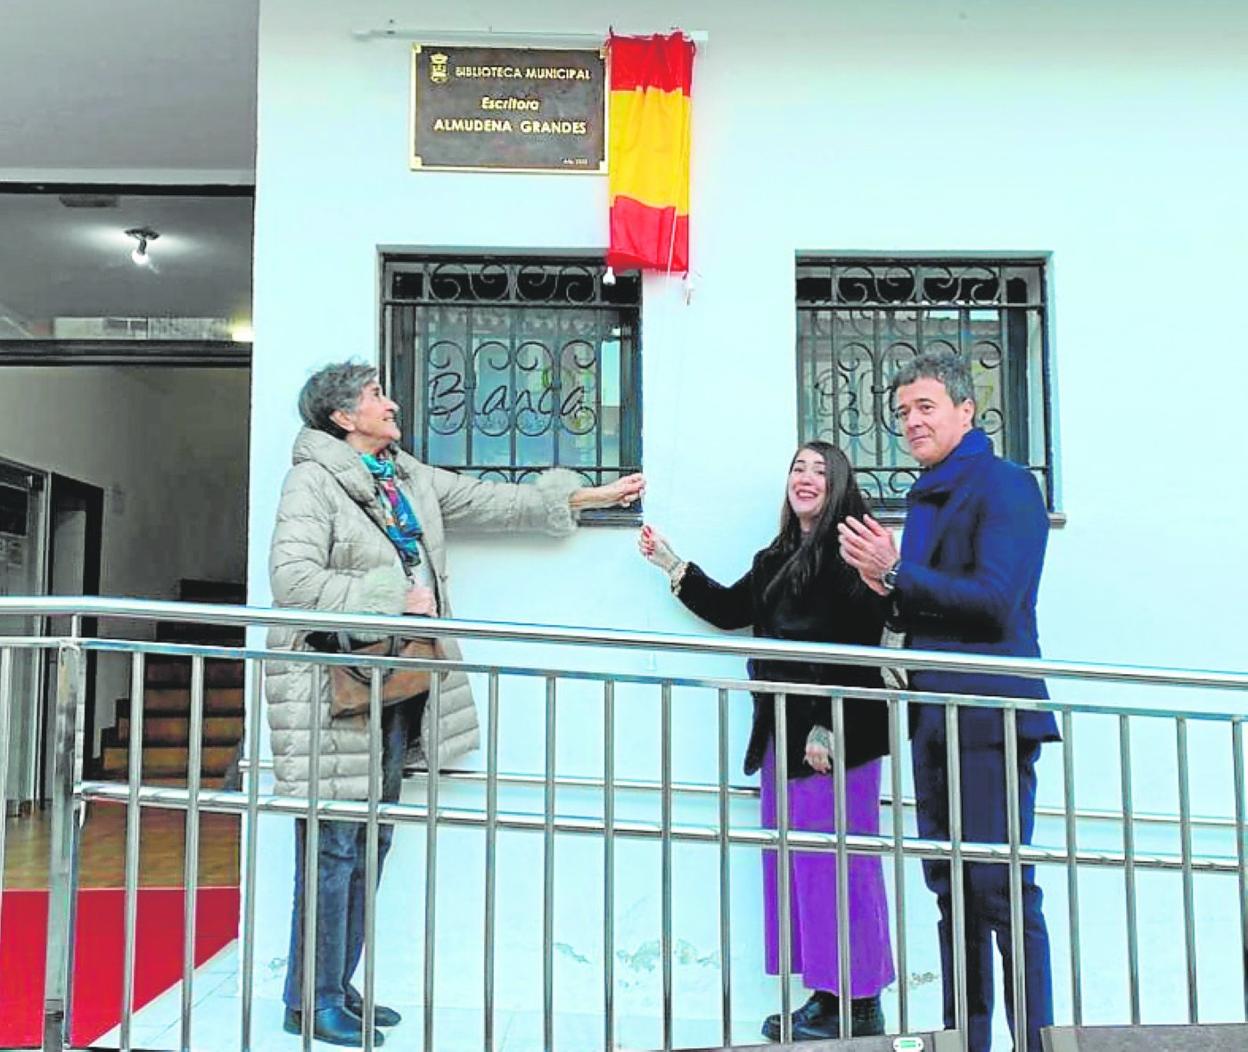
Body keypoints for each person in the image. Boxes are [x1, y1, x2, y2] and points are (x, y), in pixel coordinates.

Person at [267, 360, 644, 1047]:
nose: (391, 401)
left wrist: (589, 499)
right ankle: (313, 997)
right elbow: (292, 580)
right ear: (343, 417)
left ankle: (331, 988)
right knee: (334, 845)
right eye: (377, 394)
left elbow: (487, 499)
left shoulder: (404, 476)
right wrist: (389, 597)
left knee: (370, 840)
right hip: (333, 686)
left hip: (396, 678)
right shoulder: (313, 480)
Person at [837, 349, 1058, 1052]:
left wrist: (896, 572)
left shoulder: (1006, 485)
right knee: (952, 896)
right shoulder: (927, 495)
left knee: (999, 892)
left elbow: (995, 603)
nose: (911, 421)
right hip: (934, 720)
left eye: (925, 406)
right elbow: (926, 609)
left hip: (989, 718)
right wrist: (886, 592)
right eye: (902, 412)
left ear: (968, 410)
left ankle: (1036, 1044)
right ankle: (969, 1042)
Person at [639, 442, 895, 1042]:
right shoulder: (778, 555)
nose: (805, 479)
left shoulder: (848, 551)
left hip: (836, 740)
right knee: (802, 867)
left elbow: (862, 645)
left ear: (839, 486)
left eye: (820, 471)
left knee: (841, 867)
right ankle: (827, 999)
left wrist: (828, 726)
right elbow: (731, 609)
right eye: (798, 469)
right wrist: (672, 564)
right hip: (784, 736)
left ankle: (859, 1007)